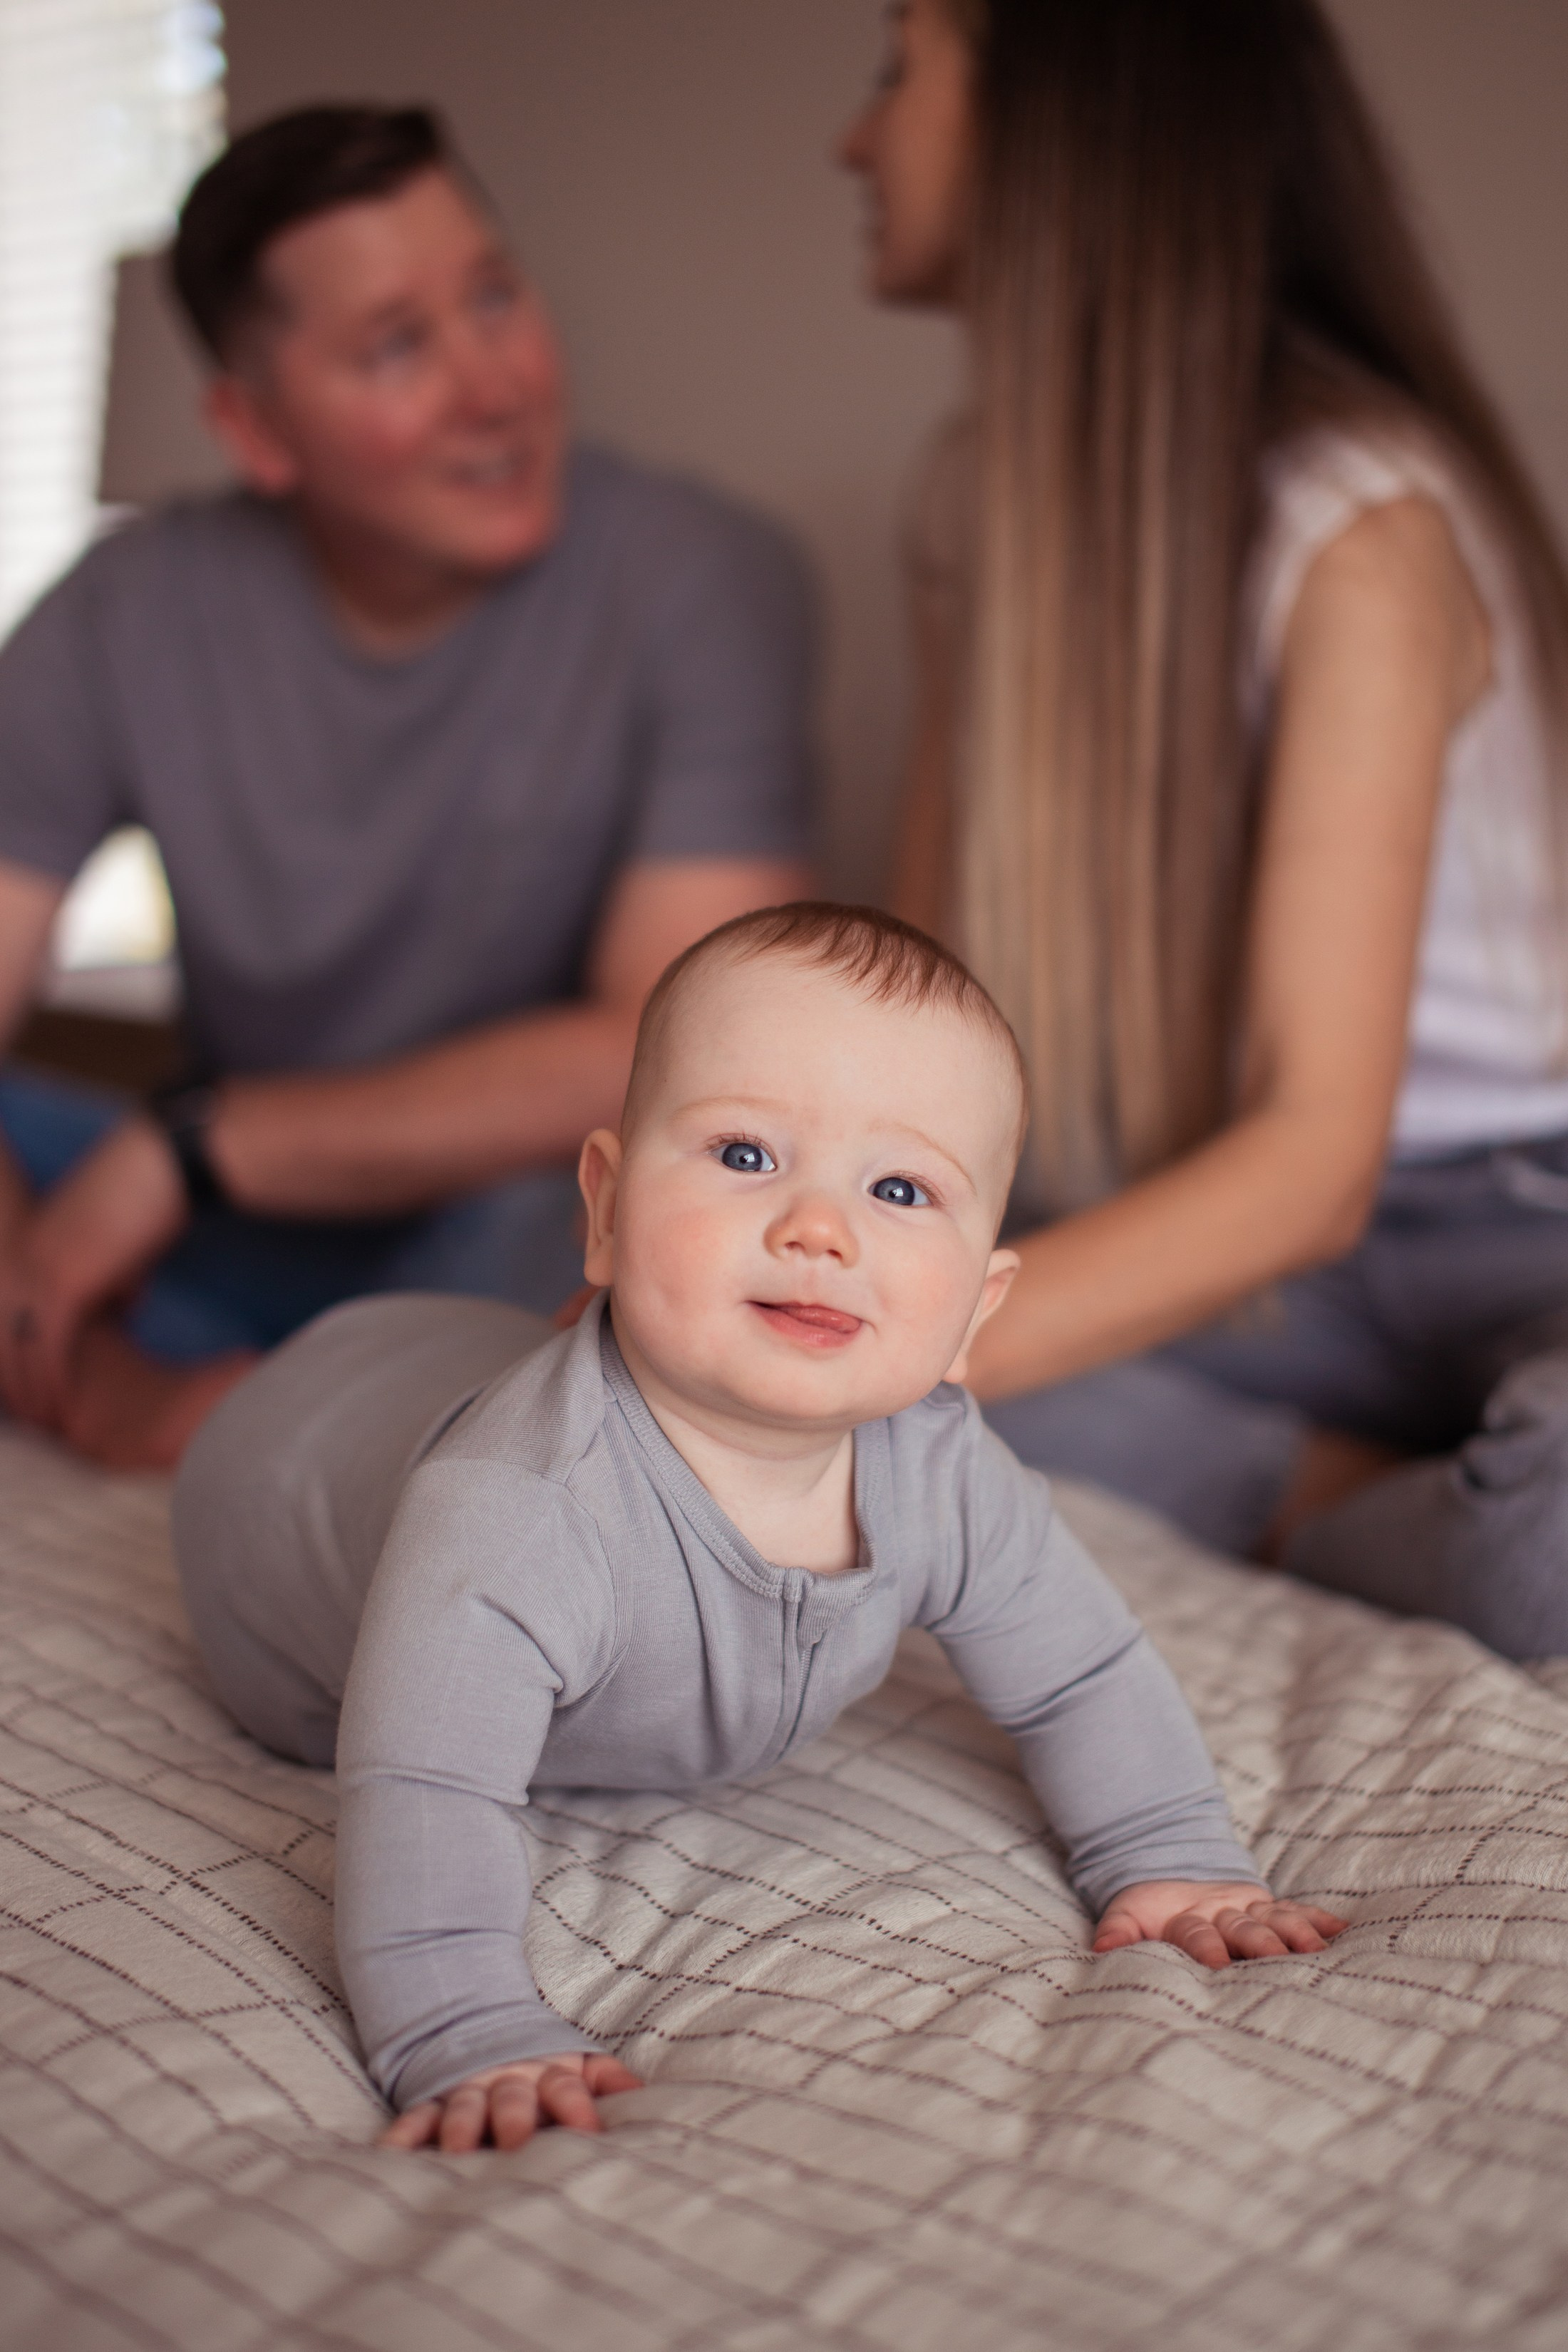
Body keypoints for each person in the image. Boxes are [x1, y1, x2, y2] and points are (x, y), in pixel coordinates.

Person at [172, 904, 1345, 2151]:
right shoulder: (519, 1508)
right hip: (279, 1498)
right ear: (608, 1207)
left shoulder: (939, 1467)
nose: (818, 1229)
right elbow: (427, 1786)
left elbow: (1083, 1672)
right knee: (391, 1647)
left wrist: (1170, 1854)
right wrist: (463, 2025)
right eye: (744, 1156)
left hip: (437, 1360)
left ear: (977, 1308)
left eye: (899, 1188)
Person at [842, 0, 1568, 1661]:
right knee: (648, 1263)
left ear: (1065, 119)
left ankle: (1327, 1503)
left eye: (896, 69)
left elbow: (1311, 1163)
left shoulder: (1358, 524)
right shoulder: (973, 502)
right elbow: (916, 1028)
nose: (851, 140)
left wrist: (879, 1349)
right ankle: (1333, 1484)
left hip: (1494, 1216)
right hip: (1236, 1262)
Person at [0, 105, 814, 1471]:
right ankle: (138, 1383)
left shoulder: (697, 575)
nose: (494, 386)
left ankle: (266, 1402)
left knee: (675, 1234)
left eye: (493, 296)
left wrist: (192, 1146)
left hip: (506, 1225)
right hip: (220, 1234)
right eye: (398, 345)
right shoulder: (114, 615)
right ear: (255, 430)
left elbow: (675, 1049)